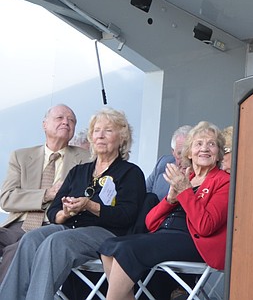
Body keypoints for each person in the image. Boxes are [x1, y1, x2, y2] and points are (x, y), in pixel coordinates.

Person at [0, 107, 145, 300]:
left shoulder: (130, 172)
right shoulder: (79, 170)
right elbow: (53, 211)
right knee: (31, 239)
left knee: (55, 242)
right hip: (70, 227)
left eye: (108, 130)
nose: (100, 135)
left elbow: (127, 216)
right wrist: (65, 213)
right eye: (96, 131)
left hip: (106, 233)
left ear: (122, 138)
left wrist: (89, 205)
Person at [99, 121, 229, 300]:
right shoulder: (186, 178)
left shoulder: (224, 181)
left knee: (127, 250)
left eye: (211, 144)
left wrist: (184, 191)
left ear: (218, 153)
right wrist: (169, 199)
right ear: (189, 152)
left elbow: (205, 226)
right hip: (166, 235)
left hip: (194, 241)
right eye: (198, 144)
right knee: (109, 247)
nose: (204, 148)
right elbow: (150, 222)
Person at [0, 104, 90, 281]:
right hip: (17, 224)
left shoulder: (86, 159)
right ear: (44, 124)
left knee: (18, 250)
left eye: (71, 120)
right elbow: (6, 198)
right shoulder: (21, 156)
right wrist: (46, 194)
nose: (66, 122)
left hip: (53, 227)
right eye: (60, 118)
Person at [145, 125, 192, 200]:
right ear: (173, 152)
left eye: (188, 153)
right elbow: (144, 192)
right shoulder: (163, 163)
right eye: (180, 154)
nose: (185, 159)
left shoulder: (202, 174)